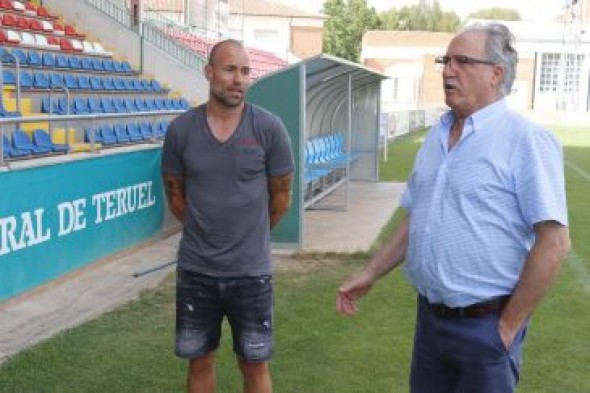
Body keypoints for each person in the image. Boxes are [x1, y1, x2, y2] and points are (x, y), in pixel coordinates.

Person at [336, 23, 570, 393]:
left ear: (497, 73)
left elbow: (554, 243)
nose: (448, 70)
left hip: (486, 327)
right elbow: (418, 218)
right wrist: (370, 273)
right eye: (446, 61)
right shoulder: (436, 135)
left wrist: (507, 327)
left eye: (462, 61)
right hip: (430, 322)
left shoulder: (526, 140)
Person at [161, 39, 295, 393]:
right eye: (230, 69)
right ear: (209, 72)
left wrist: (248, 237)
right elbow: (175, 196)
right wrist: (207, 232)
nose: (239, 79)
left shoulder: (269, 128)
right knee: (200, 361)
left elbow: (281, 198)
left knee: (254, 365)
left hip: (251, 274)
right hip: (196, 271)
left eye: (246, 71)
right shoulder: (181, 131)